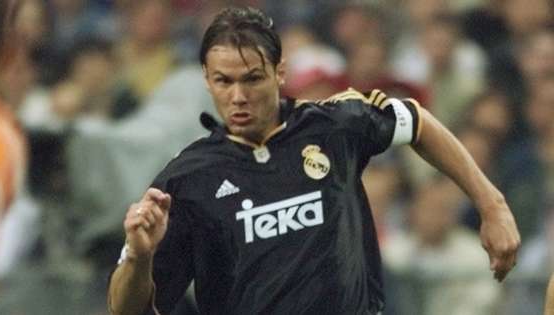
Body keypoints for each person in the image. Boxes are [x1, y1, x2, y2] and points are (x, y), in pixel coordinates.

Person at [107, 6, 520, 315]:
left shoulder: (333, 126)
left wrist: (491, 205)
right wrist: (138, 255)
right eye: (223, 81)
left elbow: (415, 122)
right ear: (206, 79)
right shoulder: (186, 179)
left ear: (279, 72)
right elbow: (125, 310)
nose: (238, 96)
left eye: (252, 78)